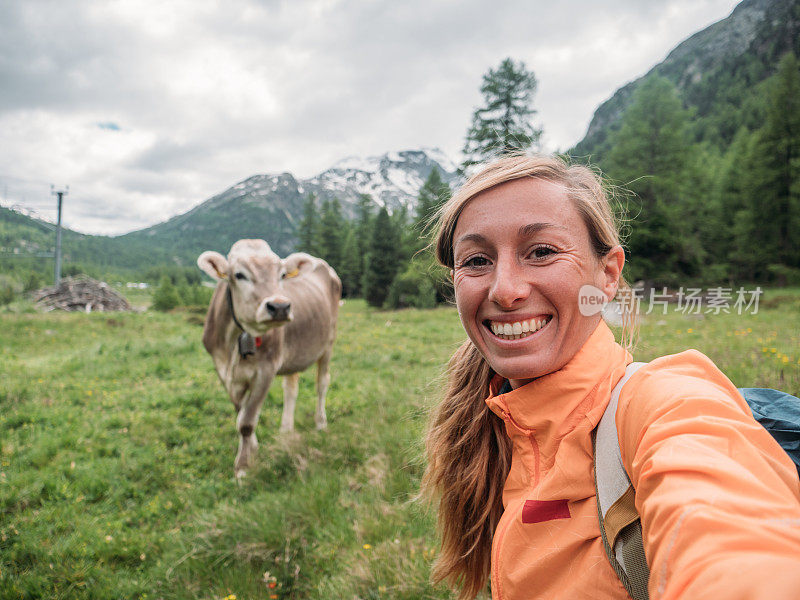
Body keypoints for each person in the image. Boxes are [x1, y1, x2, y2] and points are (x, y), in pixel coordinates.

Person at [421, 154, 800, 600]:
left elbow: (733, 549)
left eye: (541, 252)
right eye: (477, 260)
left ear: (607, 274)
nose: (505, 290)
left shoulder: (667, 405)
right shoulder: (494, 427)